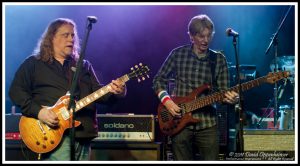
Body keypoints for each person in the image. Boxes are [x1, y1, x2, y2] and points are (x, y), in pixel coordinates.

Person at [9, 18, 127, 160]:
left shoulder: (83, 66)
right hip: (52, 134)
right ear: (51, 38)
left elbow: (100, 95)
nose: (71, 39)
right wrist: (40, 112)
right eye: (65, 35)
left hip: (83, 136)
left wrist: (118, 91)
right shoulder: (34, 64)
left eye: (73, 35)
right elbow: (16, 92)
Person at [153, 14, 239, 160]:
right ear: (191, 36)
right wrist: (167, 101)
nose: (206, 40)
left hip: (208, 125)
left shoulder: (218, 59)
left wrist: (231, 99)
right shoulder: (178, 54)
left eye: (208, 36)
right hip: (179, 124)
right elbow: (158, 80)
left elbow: (223, 93)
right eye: (201, 36)